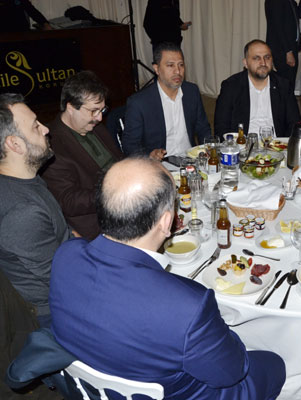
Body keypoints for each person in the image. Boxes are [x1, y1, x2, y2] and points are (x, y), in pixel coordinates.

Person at [49, 157, 286, 399]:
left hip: (91, 388)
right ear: (166, 222)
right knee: (274, 363)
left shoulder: (65, 255)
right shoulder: (187, 305)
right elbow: (232, 372)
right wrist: (223, 333)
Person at [0, 93, 69, 328]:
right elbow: (62, 279)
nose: (46, 129)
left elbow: (62, 231)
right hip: (54, 313)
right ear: (15, 144)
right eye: (35, 126)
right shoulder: (22, 211)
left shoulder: (25, 178)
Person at [41, 71, 123, 241]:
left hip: (123, 208)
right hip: (96, 226)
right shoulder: (51, 145)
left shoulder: (94, 126)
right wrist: (115, 192)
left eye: (102, 110)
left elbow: (119, 161)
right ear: (71, 107)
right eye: (93, 111)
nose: (99, 117)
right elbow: (69, 201)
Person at [122, 42, 211, 160]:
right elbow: (129, 145)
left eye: (181, 65)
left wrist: (209, 149)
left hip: (191, 159)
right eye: (170, 65)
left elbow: (203, 128)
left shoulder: (191, 92)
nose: (177, 71)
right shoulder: (139, 103)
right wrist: (149, 155)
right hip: (161, 164)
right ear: (157, 69)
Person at [214, 39, 300, 137]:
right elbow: (221, 126)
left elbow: (294, 123)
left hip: (276, 143)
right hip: (243, 143)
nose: (263, 63)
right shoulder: (231, 86)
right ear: (246, 63)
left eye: (267, 57)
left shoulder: (283, 85)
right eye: (256, 58)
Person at [265, 0, 301, 93]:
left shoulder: (291, 2)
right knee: (286, 84)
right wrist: (288, 51)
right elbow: (278, 27)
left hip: (290, 47)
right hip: (283, 49)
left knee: (289, 84)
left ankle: (286, 101)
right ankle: (284, 102)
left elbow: (299, 15)